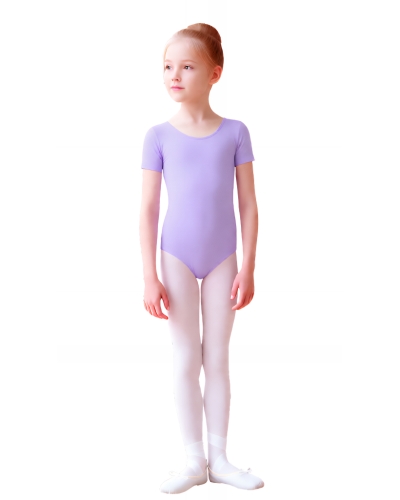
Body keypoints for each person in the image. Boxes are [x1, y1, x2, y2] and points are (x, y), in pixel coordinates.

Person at [139, 23, 264, 494]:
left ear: (215, 73)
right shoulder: (157, 136)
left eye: (187, 66)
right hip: (175, 256)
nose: (174, 75)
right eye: (168, 66)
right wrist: (149, 276)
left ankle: (221, 459)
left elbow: (248, 204)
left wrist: (248, 266)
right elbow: (148, 209)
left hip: (223, 259)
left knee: (217, 356)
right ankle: (193, 460)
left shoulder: (235, 132)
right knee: (185, 356)